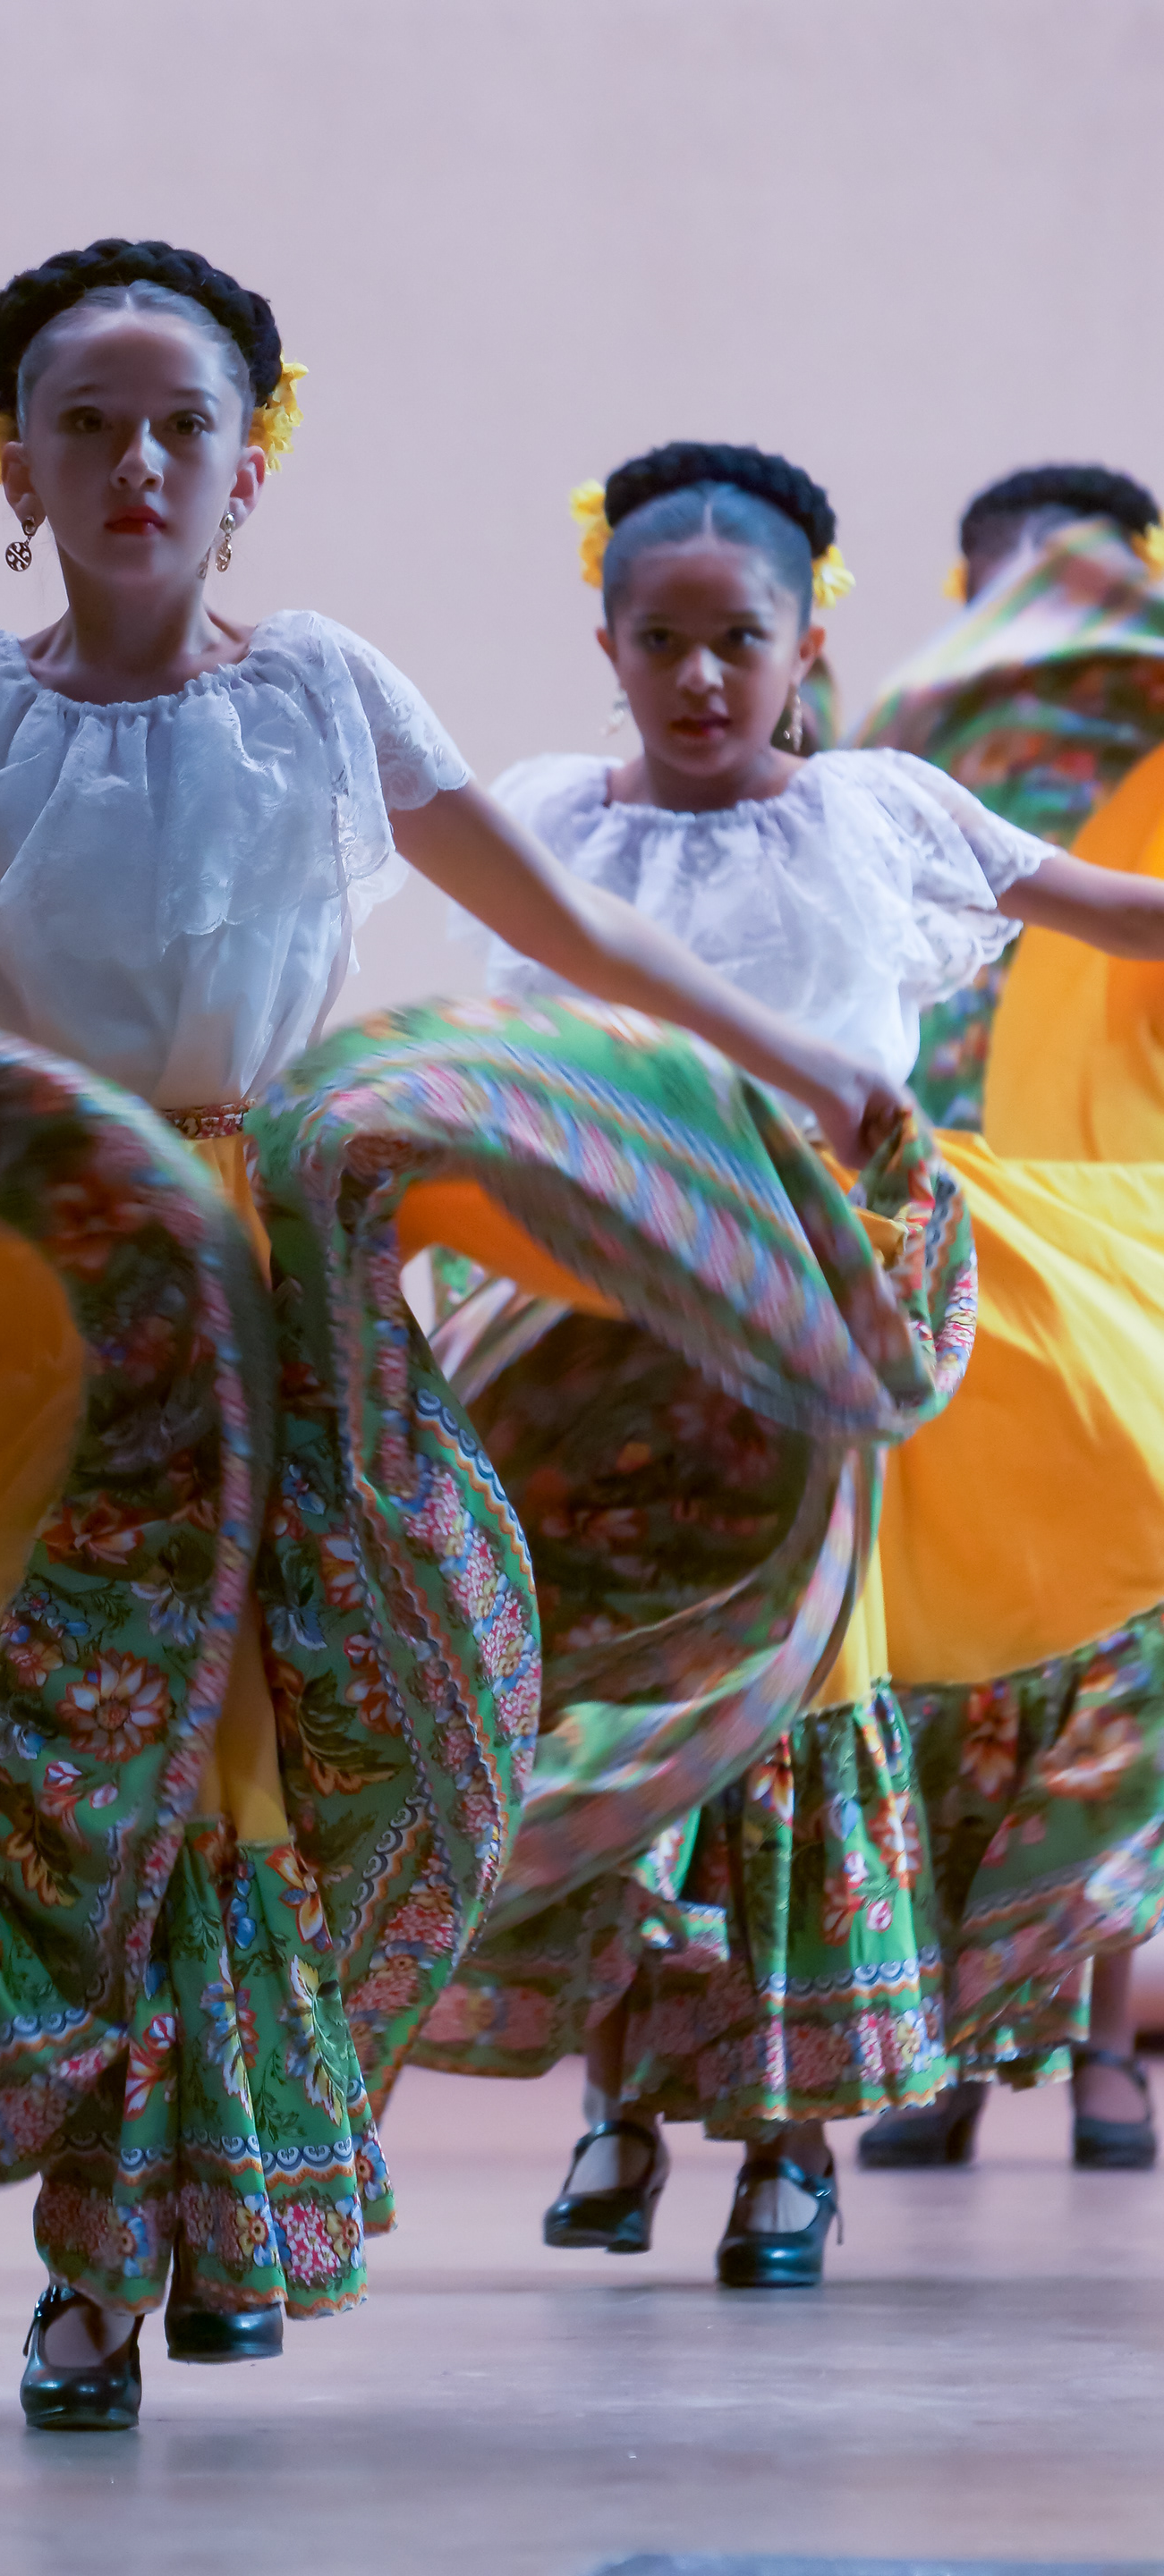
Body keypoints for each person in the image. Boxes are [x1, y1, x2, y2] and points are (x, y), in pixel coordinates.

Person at [0, 255, 909, 2428]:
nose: (137, 463)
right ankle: (101, 2265)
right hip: (38, 1283)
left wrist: (791, 1054)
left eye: (181, 426)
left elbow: (565, 921)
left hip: (276, 1249)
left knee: (338, 1707)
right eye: (87, 424)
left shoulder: (321, 689)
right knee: (121, 1742)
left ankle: (197, 2200)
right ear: (12, 469)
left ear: (248, 468)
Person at [415, 441, 1164, 2282]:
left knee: (792, 1702)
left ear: (806, 639)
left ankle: (787, 2150)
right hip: (586, 1328)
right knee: (607, 1705)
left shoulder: (882, 814)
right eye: (659, 640)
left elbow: (1117, 911)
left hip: (812, 1329)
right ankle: (616, 2114)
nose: (697, 677)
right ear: (605, 642)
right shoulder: (543, 818)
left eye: (735, 639)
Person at [854, 464, 1164, 2169]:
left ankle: (1109, 2049)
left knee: (1116, 1633)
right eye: (1008, 584)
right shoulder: (909, 771)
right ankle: (952, 2050)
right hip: (955, 1240)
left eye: (1078, 579)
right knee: (949, 1654)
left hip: (1122, 1237)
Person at [856, 464, 1164, 1133]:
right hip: (957, 1129)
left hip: (1120, 1128)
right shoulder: (917, 747)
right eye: (1007, 611)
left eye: (1059, 603)